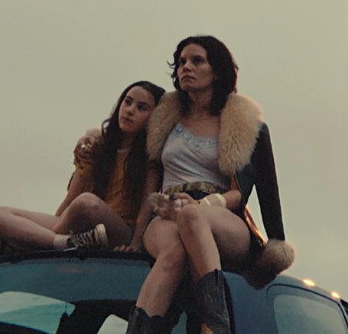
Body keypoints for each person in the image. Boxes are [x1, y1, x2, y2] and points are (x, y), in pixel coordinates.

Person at [125, 36, 295, 334]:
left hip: (221, 213)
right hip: (166, 210)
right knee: (173, 252)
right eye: (181, 62)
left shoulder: (243, 124)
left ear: (216, 71)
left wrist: (204, 204)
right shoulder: (165, 119)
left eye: (196, 61)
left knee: (191, 216)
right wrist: (136, 239)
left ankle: (216, 324)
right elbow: (138, 163)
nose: (185, 68)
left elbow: (250, 192)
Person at [0, 81, 165, 255]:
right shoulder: (96, 148)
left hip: (118, 229)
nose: (130, 110)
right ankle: (63, 243)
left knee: (87, 202)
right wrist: (54, 225)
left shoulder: (149, 157)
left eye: (141, 108)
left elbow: (146, 205)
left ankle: (32, 245)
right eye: (127, 102)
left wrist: (135, 244)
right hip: (79, 228)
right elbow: (70, 201)